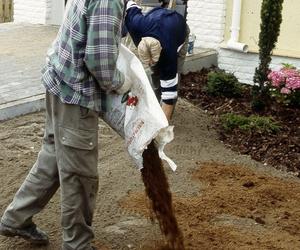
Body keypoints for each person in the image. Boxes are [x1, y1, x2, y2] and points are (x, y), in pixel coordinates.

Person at [0, 0, 130, 249]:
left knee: (53, 157)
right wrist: (122, 82)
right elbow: (100, 64)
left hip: (59, 81)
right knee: (80, 173)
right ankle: (77, 244)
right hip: (75, 94)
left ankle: (16, 218)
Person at [124, 0, 189, 121]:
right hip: (158, 18)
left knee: (173, 75)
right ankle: (155, 105)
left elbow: (169, 96)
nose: (150, 63)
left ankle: (161, 113)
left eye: (153, 61)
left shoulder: (169, 52)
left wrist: (161, 128)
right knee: (156, 72)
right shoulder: (135, 24)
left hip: (179, 30)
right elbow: (129, 4)